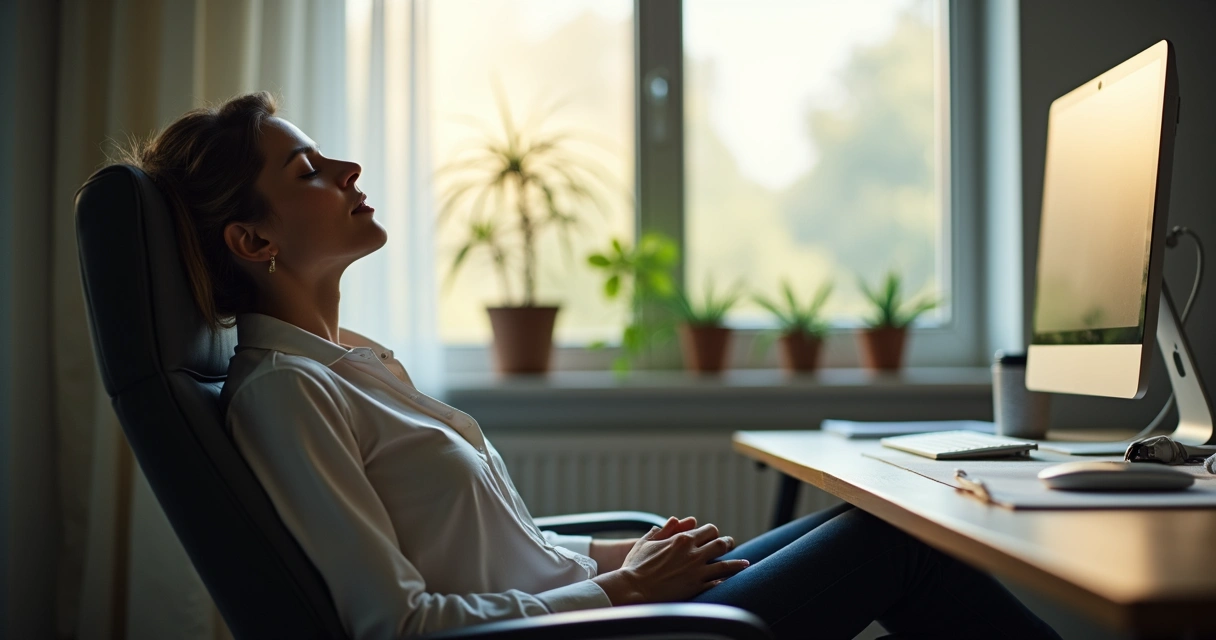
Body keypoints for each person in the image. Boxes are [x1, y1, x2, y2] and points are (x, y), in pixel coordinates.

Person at [116, 91, 1061, 640]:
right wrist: (624, 589)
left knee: (880, 523)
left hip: (590, 610)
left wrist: (631, 555)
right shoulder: (285, 394)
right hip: (586, 636)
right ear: (253, 240)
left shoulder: (351, 364)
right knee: (897, 543)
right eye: (309, 171)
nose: (349, 171)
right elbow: (394, 625)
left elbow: (499, 553)